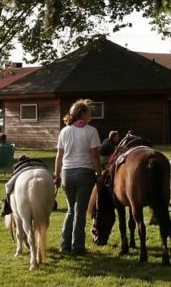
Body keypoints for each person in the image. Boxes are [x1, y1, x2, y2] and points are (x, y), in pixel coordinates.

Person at [54, 98, 102, 255]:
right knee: (80, 211)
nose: (90, 115)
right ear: (83, 114)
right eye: (89, 112)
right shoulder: (91, 131)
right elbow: (95, 155)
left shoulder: (64, 131)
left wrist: (57, 174)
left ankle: (65, 245)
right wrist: (99, 173)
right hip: (84, 172)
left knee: (70, 210)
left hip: (67, 173)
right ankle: (78, 247)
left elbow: (59, 156)